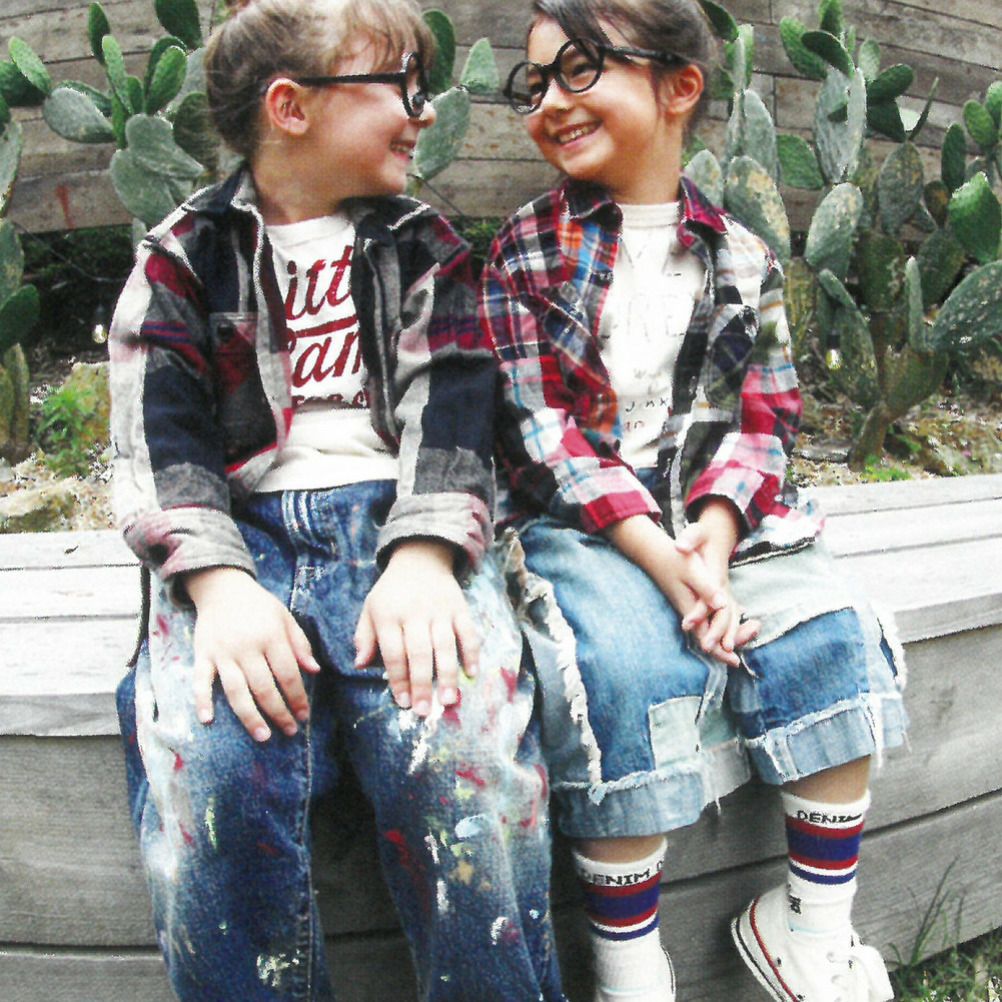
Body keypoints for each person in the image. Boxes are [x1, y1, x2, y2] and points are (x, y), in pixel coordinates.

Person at [109, 1, 566, 999]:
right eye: (400, 87)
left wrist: (426, 559)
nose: (423, 111)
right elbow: (158, 441)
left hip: (398, 525)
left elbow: (457, 408)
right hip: (237, 542)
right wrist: (219, 589)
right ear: (291, 107)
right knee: (213, 767)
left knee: (459, 750)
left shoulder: (424, 247)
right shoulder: (181, 258)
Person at [479, 1, 908, 1000]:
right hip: (589, 526)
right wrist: (659, 557)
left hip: (722, 522)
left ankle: (811, 932)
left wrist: (711, 545)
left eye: (578, 69)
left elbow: (764, 416)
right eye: (533, 83)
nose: (548, 101)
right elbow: (538, 431)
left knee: (831, 632)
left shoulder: (744, 256)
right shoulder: (524, 253)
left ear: (679, 87)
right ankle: (630, 971)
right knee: (626, 666)